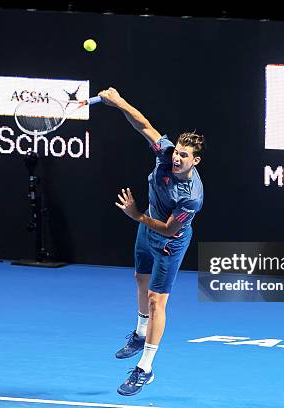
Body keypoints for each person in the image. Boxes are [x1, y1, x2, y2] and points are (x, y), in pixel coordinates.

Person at [98, 88, 205, 396]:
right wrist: (118, 102)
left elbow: (171, 230)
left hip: (169, 242)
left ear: (195, 161)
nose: (177, 157)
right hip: (146, 231)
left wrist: (136, 215)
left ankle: (145, 367)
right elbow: (144, 125)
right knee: (139, 280)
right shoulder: (165, 154)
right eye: (176, 152)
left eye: (184, 155)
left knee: (158, 300)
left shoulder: (191, 196)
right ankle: (139, 333)